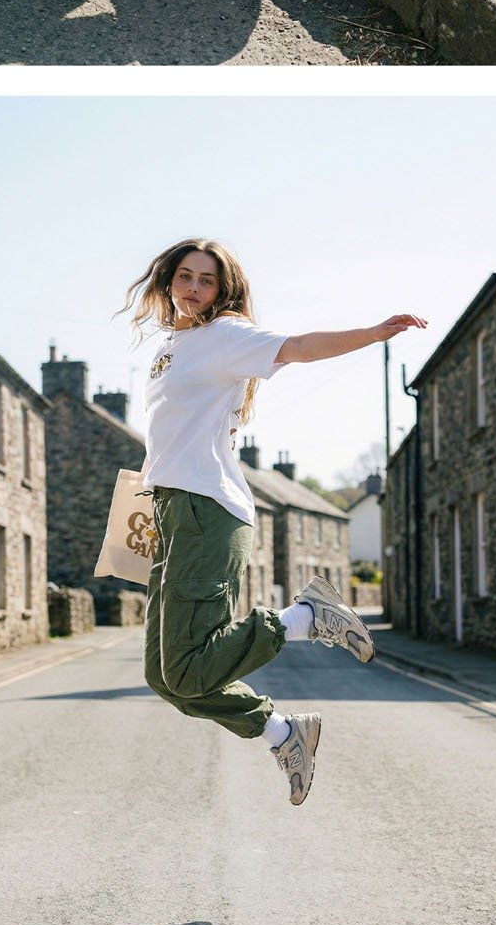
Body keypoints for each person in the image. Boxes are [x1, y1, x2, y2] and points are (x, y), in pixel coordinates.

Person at [121, 238, 424, 805]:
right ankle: (285, 733)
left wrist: (371, 333)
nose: (193, 287)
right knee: (166, 679)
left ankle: (307, 617)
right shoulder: (171, 345)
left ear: (223, 289)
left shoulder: (225, 335)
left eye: (206, 280)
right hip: (170, 509)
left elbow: (299, 347)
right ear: (168, 280)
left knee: (186, 670)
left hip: (206, 509)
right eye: (185, 276)